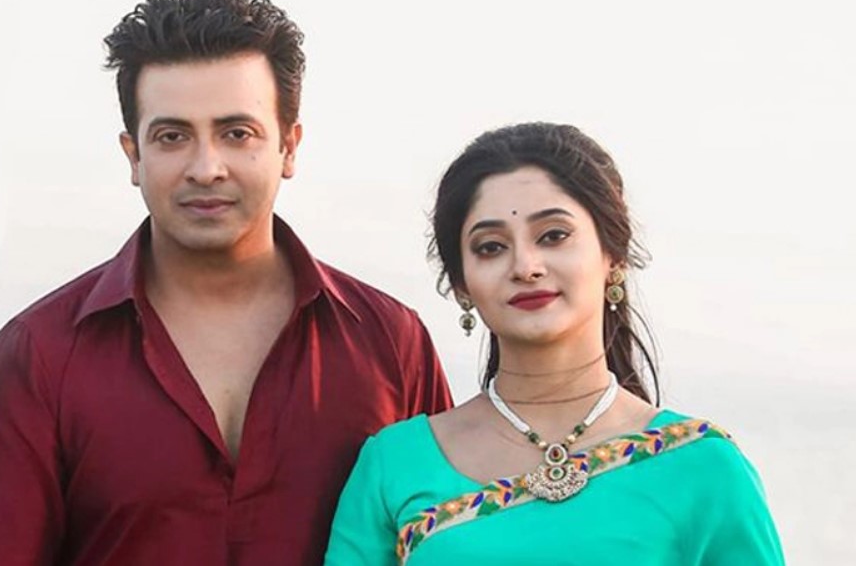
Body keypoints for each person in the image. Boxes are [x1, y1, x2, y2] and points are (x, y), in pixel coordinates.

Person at [0, 0, 452, 566]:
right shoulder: (39, 355)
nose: (206, 168)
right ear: (134, 155)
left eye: (237, 133)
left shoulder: (391, 345)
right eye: (173, 136)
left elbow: (448, 545)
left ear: (289, 147)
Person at [324, 122, 784, 565]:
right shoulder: (395, 465)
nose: (526, 266)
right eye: (490, 247)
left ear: (613, 255)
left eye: (553, 236)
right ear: (461, 284)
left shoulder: (703, 468)